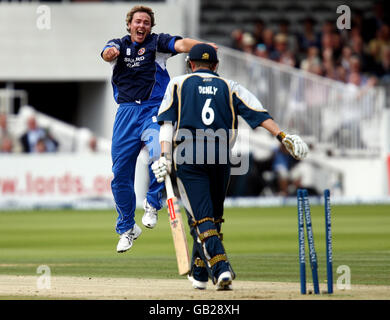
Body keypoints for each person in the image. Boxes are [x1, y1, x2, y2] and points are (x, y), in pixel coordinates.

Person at [151, 44, 308, 290]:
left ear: (190, 65)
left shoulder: (178, 84)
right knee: (212, 217)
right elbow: (258, 112)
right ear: (216, 66)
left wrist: (164, 156)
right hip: (223, 155)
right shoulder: (230, 86)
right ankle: (200, 273)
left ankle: (221, 268)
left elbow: (166, 123)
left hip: (188, 154)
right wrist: (283, 136)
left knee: (201, 217)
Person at [100, 5, 217, 253]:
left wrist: (204, 49)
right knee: (120, 173)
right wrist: (110, 53)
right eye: (137, 22)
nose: (141, 26)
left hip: (154, 111)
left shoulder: (157, 43)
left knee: (158, 155)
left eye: (145, 22)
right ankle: (127, 228)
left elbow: (183, 44)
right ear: (129, 24)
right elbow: (107, 53)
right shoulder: (118, 44)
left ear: (150, 26)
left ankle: (152, 203)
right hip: (126, 114)